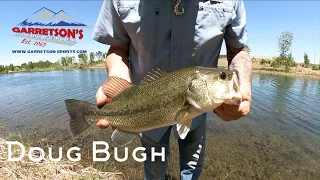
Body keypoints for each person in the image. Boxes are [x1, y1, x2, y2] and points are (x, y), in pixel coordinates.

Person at [92, 0, 252, 179]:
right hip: (143, 112)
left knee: (191, 170)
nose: (226, 77)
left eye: (223, 76)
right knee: (154, 170)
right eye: (223, 76)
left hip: (196, 112)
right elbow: (118, 47)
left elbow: (238, 49)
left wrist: (242, 80)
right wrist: (118, 83)